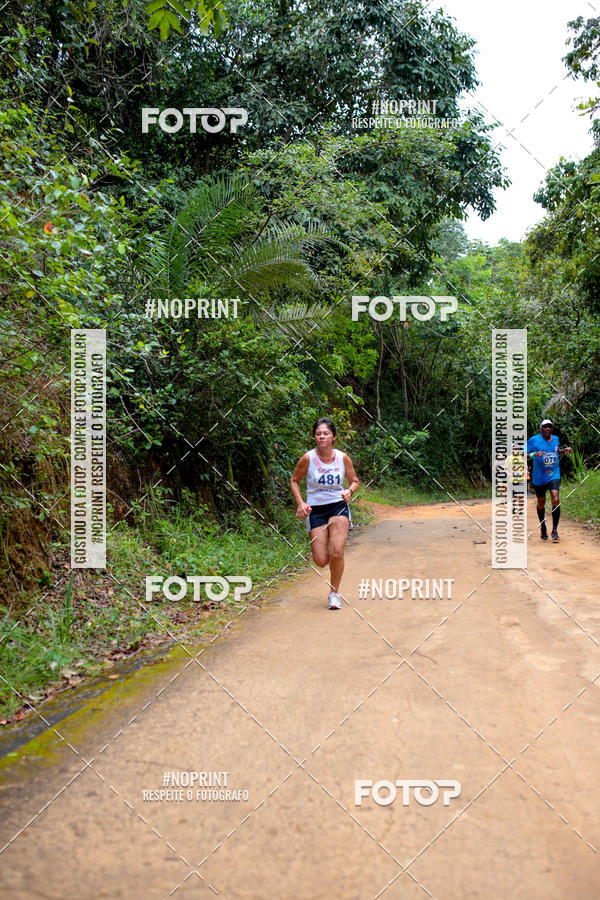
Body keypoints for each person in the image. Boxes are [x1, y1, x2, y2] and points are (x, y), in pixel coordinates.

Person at [290, 417, 359, 609]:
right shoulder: (308, 458)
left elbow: (354, 480)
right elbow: (294, 480)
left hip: (338, 505)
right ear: (314, 437)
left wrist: (349, 491)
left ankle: (334, 593)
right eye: (318, 434)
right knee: (321, 560)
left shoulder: (342, 458)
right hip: (316, 510)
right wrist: (300, 503)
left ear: (333, 437)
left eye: (325, 433)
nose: (321, 437)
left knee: (337, 552)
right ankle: (332, 556)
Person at [527, 419, 572, 542]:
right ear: (540, 428)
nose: (547, 429)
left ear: (552, 429)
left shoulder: (556, 439)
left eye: (550, 427)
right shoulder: (533, 440)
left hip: (553, 474)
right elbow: (521, 455)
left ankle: (555, 530)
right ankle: (543, 526)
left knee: (555, 498)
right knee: (541, 503)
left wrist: (563, 451)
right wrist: (533, 455)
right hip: (539, 477)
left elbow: (555, 452)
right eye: (545, 427)